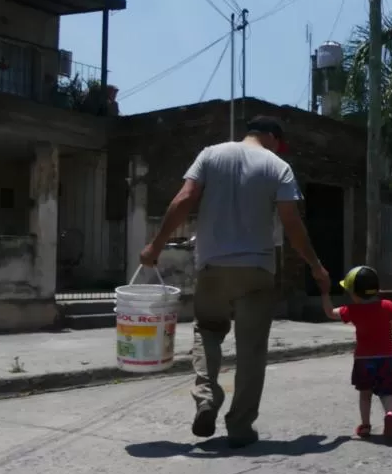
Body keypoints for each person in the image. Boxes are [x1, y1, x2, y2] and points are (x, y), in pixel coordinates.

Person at [140, 115, 331, 449]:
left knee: (208, 331)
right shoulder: (278, 166)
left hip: (212, 266)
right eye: (278, 142)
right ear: (271, 136)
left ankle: (206, 397)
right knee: (251, 351)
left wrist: (156, 245)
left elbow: (185, 198)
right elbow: (291, 223)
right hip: (256, 271)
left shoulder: (210, 155)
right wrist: (315, 264)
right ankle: (240, 427)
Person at [322, 265, 392, 443]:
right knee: (387, 392)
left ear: (354, 293)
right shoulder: (386, 305)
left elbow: (330, 313)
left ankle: (365, 426)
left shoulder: (352, 310)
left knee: (365, 394)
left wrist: (324, 294)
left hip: (363, 360)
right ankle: (390, 414)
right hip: (386, 358)